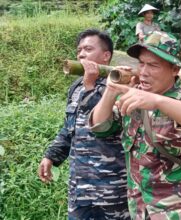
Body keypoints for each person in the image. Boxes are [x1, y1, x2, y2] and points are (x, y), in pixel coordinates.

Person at [89, 31, 181, 219]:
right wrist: (111, 89)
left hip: (173, 208)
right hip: (137, 205)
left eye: (153, 65)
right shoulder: (133, 95)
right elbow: (100, 127)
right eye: (141, 63)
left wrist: (156, 101)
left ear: (174, 70)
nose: (144, 72)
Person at [38, 29, 129, 219]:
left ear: (106, 56)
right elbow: (70, 128)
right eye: (79, 50)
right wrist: (51, 156)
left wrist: (90, 86)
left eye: (88, 49)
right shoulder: (77, 87)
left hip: (112, 188)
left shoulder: (121, 86)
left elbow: (99, 124)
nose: (81, 54)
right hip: (80, 188)